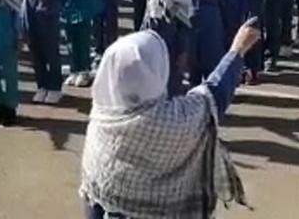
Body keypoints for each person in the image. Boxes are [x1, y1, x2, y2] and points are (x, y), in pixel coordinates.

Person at [79, 21, 259, 219]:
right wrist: (237, 49)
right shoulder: (177, 120)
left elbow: (93, 199)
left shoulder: (100, 119)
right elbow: (215, 92)